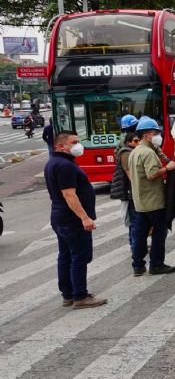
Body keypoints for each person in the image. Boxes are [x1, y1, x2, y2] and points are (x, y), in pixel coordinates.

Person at [44, 131, 107, 309]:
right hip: (72, 220)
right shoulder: (65, 166)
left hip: (60, 217)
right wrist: (84, 217)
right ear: (61, 146)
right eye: (74, 142)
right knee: (79, 257)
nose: (78, 145)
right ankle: (80, 296)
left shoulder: (53, 162)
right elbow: (69, 194)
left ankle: (68, 294)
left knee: (65, 256)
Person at [127, 117, 175, 277]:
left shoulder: (136, 151)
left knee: (140, 234)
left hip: (140, 201)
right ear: (146, 135)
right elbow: (151, 175)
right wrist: (167, 168)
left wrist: (160, 153)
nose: (158, 136)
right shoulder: (148, 153)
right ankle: (156, 264)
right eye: (155, 133)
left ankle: (138, 265)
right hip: (154, 201)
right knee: (159, 232)